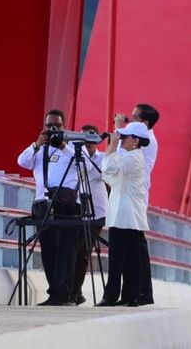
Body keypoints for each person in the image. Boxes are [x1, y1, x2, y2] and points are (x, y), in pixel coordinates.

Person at [17, 109, 80, 306]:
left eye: (57, 126)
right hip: (43, 204)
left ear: (64, 126)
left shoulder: (72, 148)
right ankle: (55, 292)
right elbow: (21, 162)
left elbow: (82, 164)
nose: (53, 129)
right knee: (49, 250)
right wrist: (37, 144)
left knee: (66, 250)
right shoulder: (40, 150)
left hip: (66, 205)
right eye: (49, 125)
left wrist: (62, 144)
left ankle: (65, 293)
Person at [97, 121, 150, 306]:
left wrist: (111, 147)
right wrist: (112, 151)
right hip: (127, 215)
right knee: (129, 259)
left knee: (119, 259)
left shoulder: (133, 158)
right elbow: (109, 174)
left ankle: (112, 296)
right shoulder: (132, 157)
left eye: (125, 137)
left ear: (135, 140)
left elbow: (110, 169)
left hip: (125, 215)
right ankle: (129, 296)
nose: (121, 140)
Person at [70, 124, 108, 305]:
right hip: (79, 208)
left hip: (97, 212)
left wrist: (85, 155)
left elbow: (99, 174)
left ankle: (75, 292)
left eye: (91, 139)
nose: (88, 143)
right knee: (75, 251)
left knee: (83, 250)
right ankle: (75, 292)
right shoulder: (76, 157)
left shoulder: (103, 158)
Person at [129, 103, 159, 305]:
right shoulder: (146, 137)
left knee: (137, 244)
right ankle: (141, 291)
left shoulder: (146, 140)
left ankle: (142, 292)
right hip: (136, 194)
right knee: (136, 244)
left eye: (134, 118)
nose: (130, 121)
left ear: (144, 123)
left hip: (135, 195)